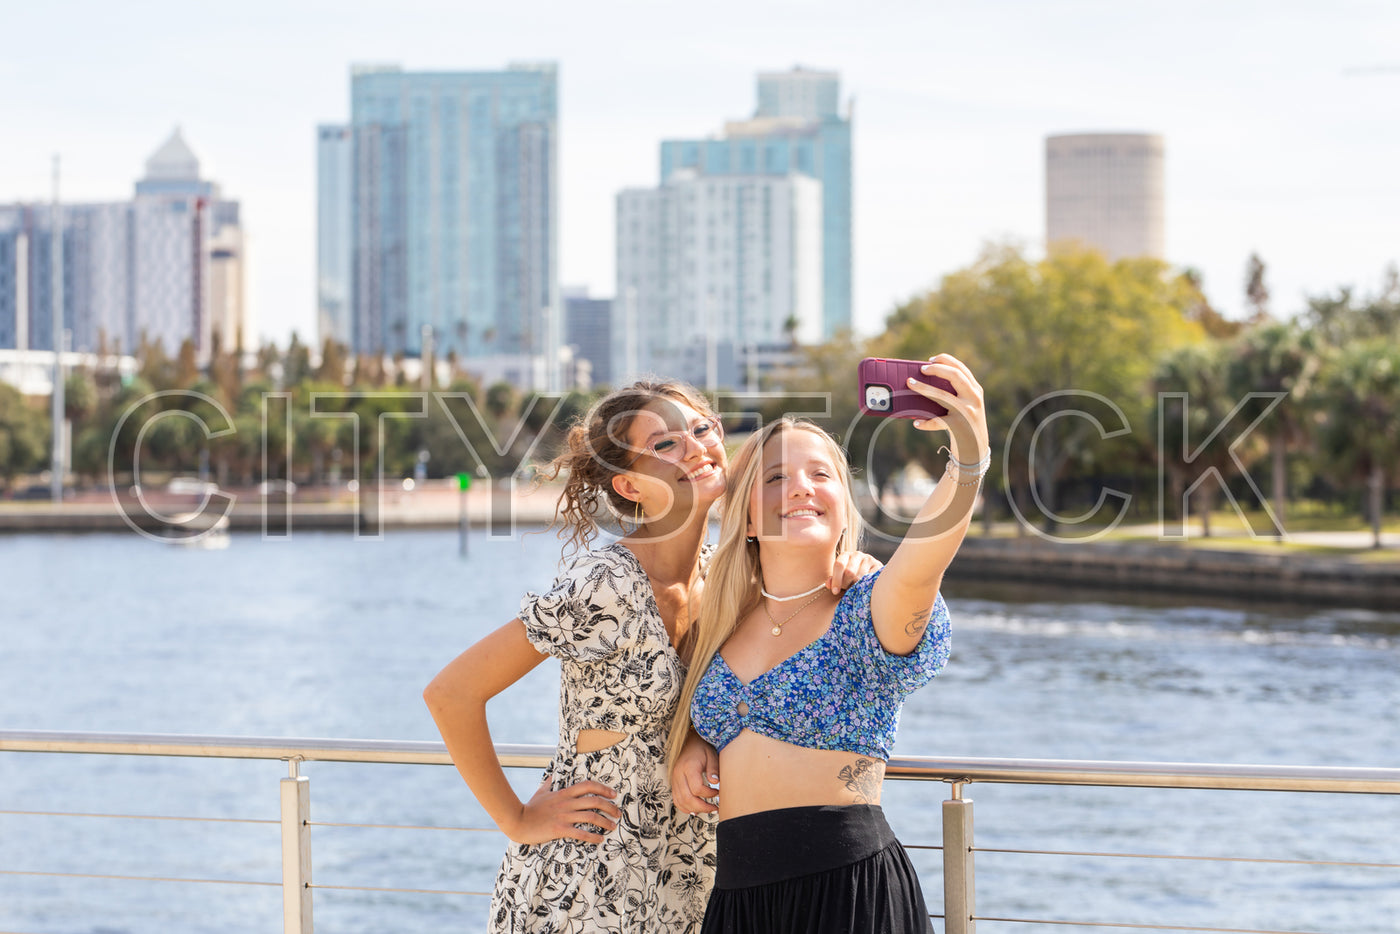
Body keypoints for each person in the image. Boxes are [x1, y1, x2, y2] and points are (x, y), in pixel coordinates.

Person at [423, 380, 880, 934]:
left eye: (701, 429)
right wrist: (517, 819)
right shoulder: (605, 585)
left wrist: (855, 567)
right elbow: (451, 693)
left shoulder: (729, 581)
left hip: (691, 872)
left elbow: (795, 636)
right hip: (590, 871)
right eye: (664, 444)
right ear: (629, 485)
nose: (695, 447)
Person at [667, 354, 988, 934]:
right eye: (774, 477)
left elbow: (922, 564)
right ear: (748, 519)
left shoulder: (867, 608)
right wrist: (693, 738)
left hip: (847, 896)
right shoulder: (719, 616)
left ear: (845, 505)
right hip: (736, 903)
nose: (799, 489)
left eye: (821, 474)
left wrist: (968, 457)